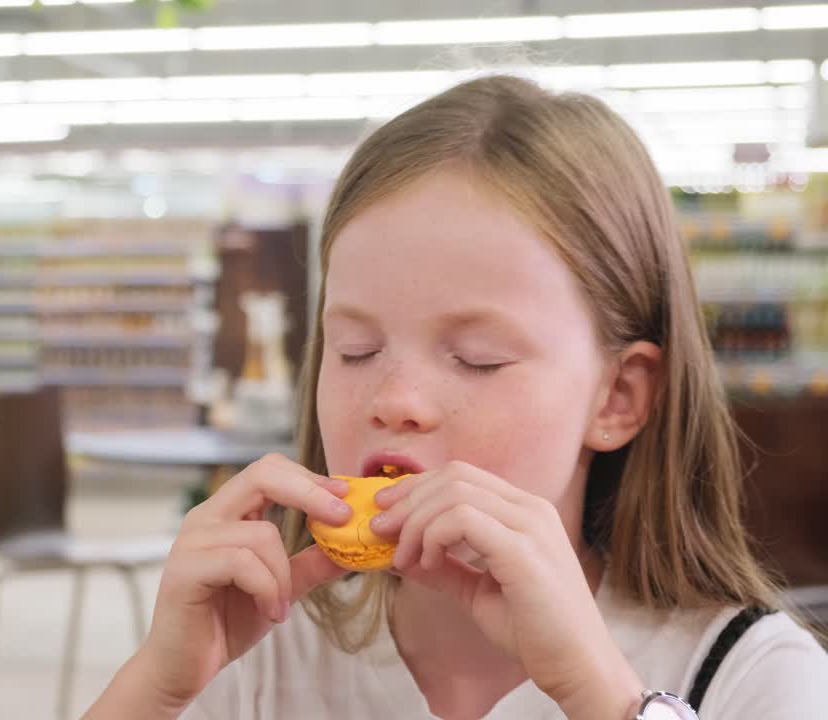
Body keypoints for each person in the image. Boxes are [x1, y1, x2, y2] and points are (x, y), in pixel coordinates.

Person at [83, 75, 828, 720]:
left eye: (478, 359)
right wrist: (154, 687)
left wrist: (605, 699)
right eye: (356, 350)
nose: (396, 399)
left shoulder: (753, 672)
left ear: (618, 397)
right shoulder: (255, 653)